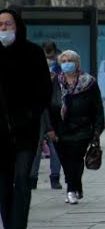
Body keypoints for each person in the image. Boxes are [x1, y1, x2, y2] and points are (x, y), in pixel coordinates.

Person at [0, 9, 52, 229]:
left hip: (25, 131)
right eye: (0, 25)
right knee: (3, 185)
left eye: (8, 24)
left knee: (22, 179)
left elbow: (44, 90)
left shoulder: (32, 53)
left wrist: (30, 113)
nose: (3, 29)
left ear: (17, 26)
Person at [49, 50, 105, 205]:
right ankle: (76, 186)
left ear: (77, 63)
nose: (67, 63)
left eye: (70, 60)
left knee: (75, 158)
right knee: (65, 161)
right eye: (64, 60)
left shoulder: (89, 82)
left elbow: (98, 109)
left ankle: (71, 189)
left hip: (82, 129)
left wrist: (97, 131)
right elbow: (47, 107)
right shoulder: (55, 82)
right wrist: (50, 129)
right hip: (59, 130)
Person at [31, 41, 63, 190]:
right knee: (37, 148)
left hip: (52, 111)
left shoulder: (60, 70)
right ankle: (34, 178)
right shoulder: (36, 69)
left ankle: (53, 177)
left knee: (53, 145)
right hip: (39, 111)